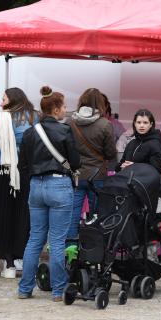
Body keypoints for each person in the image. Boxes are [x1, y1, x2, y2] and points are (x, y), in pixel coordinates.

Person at [17, 86, 81, 302]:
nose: (66, 110)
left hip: (36, 186)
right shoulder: (65, 131)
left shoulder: (29, 132)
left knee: (34, 239)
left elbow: (22, 165)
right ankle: (57, 290)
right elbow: (76, 162)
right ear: (55, 109)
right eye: (64, 106)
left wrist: (35, 178)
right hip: (59, 185)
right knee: (57, 241)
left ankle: (25, 288)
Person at [0, 87, 37, 278]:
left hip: (2, 172)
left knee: (3, 215)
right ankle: (20, 258)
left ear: (11, 100)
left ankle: (9, 263)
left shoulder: (0, 119)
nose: (1, 102)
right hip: (26, 171)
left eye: (3, 99)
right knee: (22, 215)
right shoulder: (34, 118)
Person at [67, 88, 117, 242]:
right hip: (97, 176)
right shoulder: (105, 124)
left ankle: (71, 242)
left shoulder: (70, 122)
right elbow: (110, 153)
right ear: (101, 104)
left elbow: (66, 148)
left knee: (73, 211)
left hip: (76, 174)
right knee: (97, 212)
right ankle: (94, 243)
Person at [115, 109, 161, 173]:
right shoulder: (131, 143)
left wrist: (134, 166)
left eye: (145, 122)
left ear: (151, 124)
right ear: (135, 124)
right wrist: (121, 166)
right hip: (127, 180)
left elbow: (156, 169)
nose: (141, 125)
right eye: (139, 122)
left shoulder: (156, 144)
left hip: (146, 182)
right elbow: (120, 165)